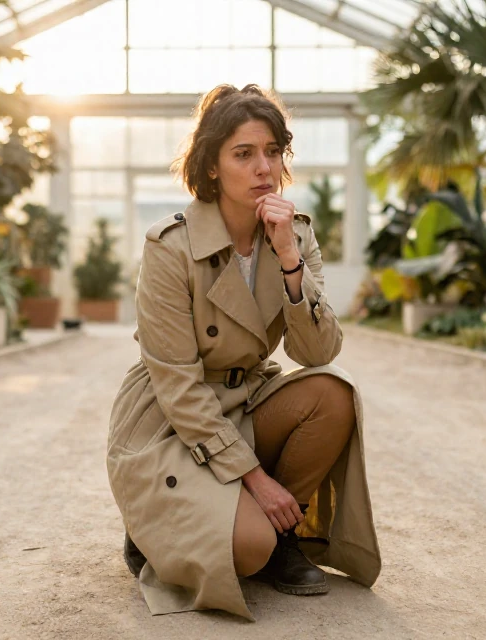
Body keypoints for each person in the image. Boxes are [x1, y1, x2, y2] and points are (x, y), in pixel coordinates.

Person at [106, 83, 381, 621]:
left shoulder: (294, 236)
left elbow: (317, 350)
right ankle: (152, 525)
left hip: (247, 399)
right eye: (244, 153)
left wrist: (287, 259)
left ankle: (284, 537)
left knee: (334, 393)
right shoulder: (170, 247)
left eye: (273, 152)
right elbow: (179, 386)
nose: (264, 168)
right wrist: (256, 479)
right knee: (243, 553)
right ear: (211, 166)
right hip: (171, 417)